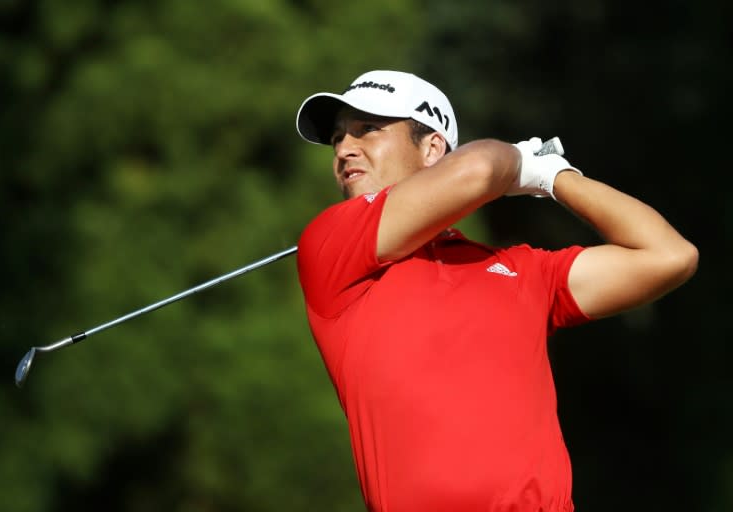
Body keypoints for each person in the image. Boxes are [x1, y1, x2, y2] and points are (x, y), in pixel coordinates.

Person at [294, 70, 698, 512]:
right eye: (337, 138)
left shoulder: (523, 269)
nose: (344, 149)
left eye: (367, 130)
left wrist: (553, 177)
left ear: (432, 150)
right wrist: (518, 165)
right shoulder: (330, 244)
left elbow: (668, 256)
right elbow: (482, 167)